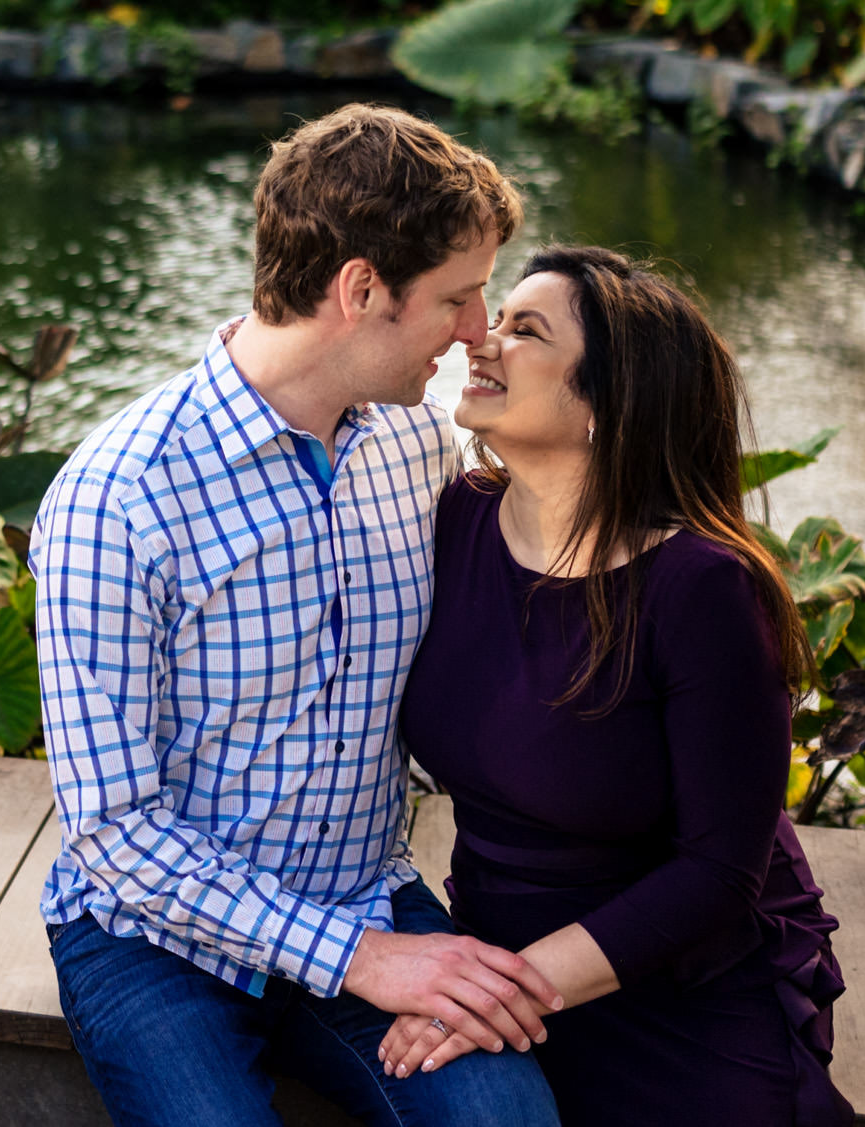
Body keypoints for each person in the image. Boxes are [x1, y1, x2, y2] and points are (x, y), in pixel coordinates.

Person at [32, 103, 562, 1126]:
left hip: (358, 889)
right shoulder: (120, 498)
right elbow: (114, 832)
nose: (476, 331)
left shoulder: (414, 449)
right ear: (360, 289)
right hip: (155, 940)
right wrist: (362, 960)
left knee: (510, 1120)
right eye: (458, 297)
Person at [377, 247, 852, 1127]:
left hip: (666, 985)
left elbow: (717, 873)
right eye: (497, 315)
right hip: (488, 961)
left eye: (526, 330)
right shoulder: (449, 522)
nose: (481, 336)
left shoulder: (703, 588)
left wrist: (498, 994)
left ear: (605, 401)